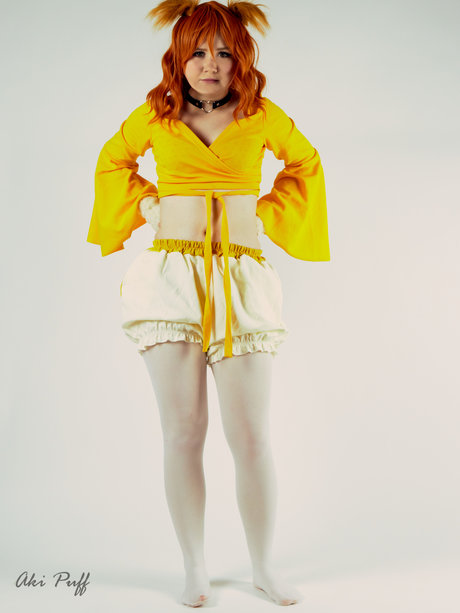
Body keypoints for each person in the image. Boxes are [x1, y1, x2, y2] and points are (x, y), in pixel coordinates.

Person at [87, 0, 330, 607]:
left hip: (241, 279)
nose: (211, 64)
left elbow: (306, 163)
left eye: (223, 51)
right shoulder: (156, 115)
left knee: (250, 437)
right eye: (197, 52)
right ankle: (194, 568)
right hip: (169, 277)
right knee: (182, 431)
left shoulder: (261, 115)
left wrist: (264, 215)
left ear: (241, 57)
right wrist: (147, 204)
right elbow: (113, 160)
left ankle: (263, 567)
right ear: (179, 58)